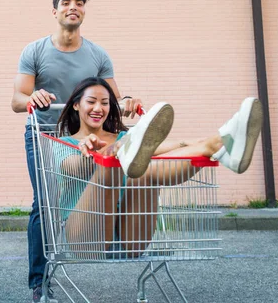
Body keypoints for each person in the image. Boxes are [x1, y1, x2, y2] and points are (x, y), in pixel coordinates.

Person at [11, 0, 142, 303]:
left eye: (80, 2)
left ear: (84, 11)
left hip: (82, 138)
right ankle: (39, 282)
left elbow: (112, 96)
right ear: (55, 11)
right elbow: (16, 100)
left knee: (92, 191)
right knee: (45, 203)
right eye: (67, 2)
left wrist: (126, 101)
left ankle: (99, 242)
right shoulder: (35, 51)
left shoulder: (97, 54)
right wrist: (33, 97)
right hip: (43, 135)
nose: (74, 6)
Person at [55, 77, 263, 255]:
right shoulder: (65, 143)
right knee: (110, 166)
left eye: (105, 103)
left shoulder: (123, 138)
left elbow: (172, 147)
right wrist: (94, 153)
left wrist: (206, 142)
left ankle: (220, 144)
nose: (99, 108)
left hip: (130, 237)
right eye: (91, 102)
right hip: (85, 237)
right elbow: (72, 167)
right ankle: (221, 144)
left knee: (144, 170)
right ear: (76, 105)